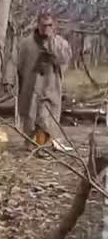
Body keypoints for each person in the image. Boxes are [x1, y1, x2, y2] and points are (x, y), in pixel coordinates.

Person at [13, 12, 73, 148]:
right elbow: (19, 64)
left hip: (51, 86)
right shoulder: (26, 43)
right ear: (38, 25)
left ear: (54, 26)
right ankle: (31, 144)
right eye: (43, 25)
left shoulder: (60, 43)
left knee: (46, 117)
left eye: (49, 25)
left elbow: (65, 61)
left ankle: (43, 145)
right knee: (31, 116)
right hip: (31, 86)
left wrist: (54, 55)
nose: (46, 28)